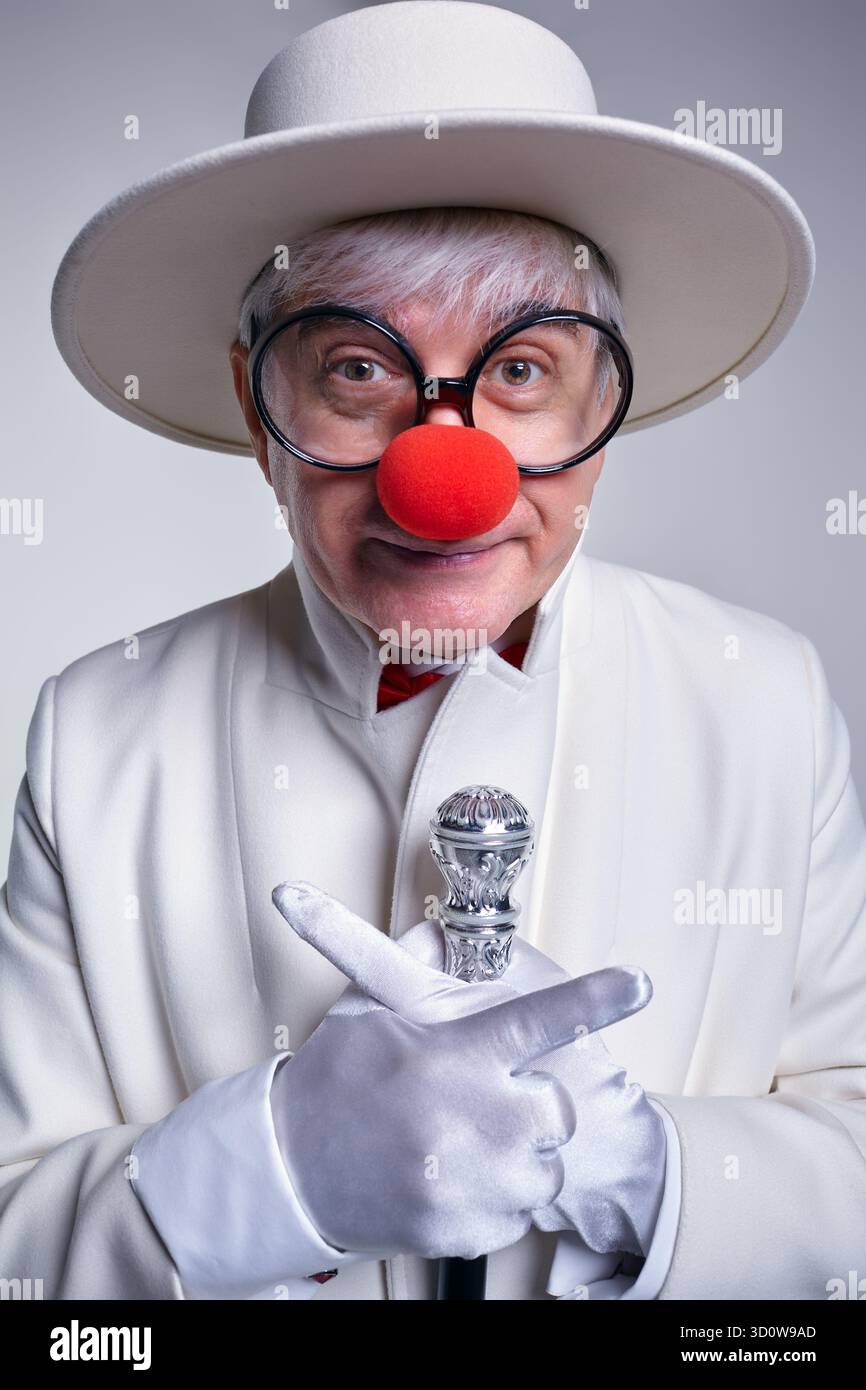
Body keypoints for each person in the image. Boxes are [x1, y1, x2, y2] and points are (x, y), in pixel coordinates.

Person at [2, 2, 863, 1301]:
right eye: (356, 365)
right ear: (257, 406)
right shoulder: (97, 732)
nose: (439, 474)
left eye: (518, 367)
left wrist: (638, 1166)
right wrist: (273, 1169)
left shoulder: (768, 703)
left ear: (602, 402)